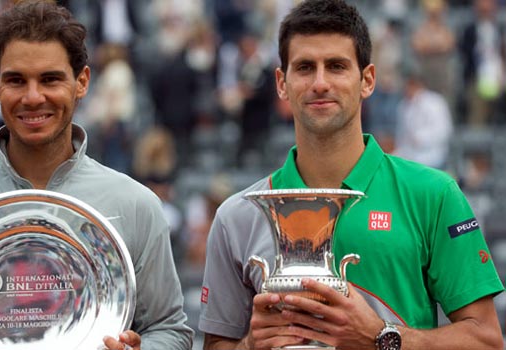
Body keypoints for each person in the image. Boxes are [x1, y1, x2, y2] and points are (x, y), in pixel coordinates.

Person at [0, 1, 193, 350]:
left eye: (50, 79)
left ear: (82, 82)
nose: (33, 97)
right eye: (17, 80)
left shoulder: (135, 204)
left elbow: (170, 330)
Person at [199, 1, 505, 350]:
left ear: (368, 80)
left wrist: (382, 338)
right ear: (282, 84)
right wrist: (251, 345)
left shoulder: (434, 195)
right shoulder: (236, 217)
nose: (320, 82)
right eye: (304, 68)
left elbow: (487, 341)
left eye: (336, 66)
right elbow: (217, 344)